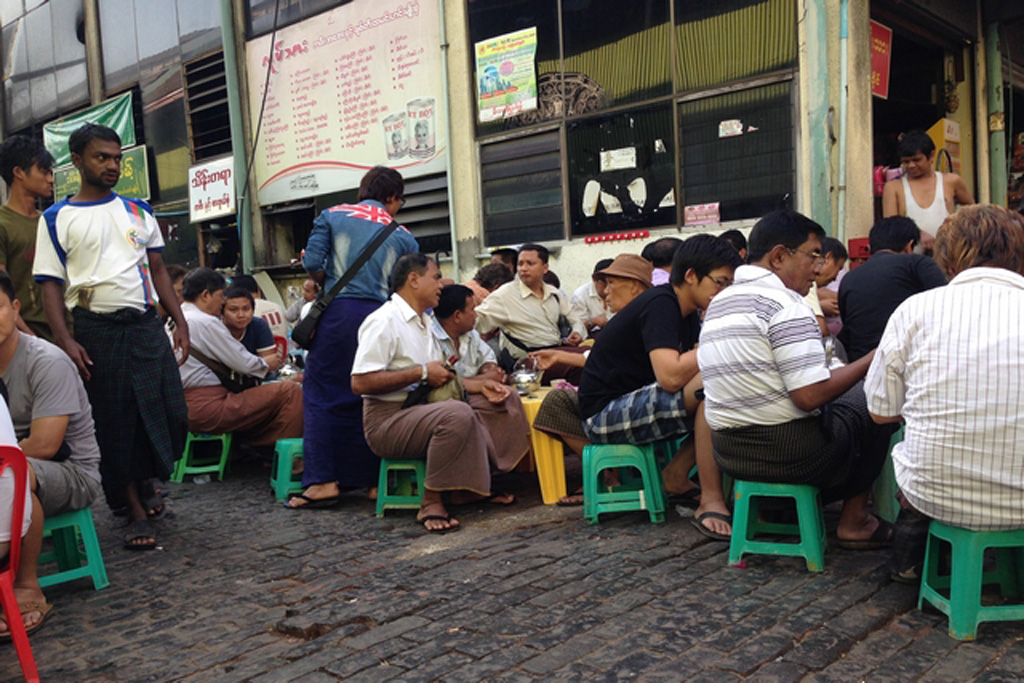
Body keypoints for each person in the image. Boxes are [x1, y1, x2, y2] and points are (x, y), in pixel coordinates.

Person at [698, 210, 897, 548]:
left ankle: (772, 511)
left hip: (730, 454)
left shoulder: (719, 303)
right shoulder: (786, 305)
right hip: (792, 455)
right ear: (779, 256)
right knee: (874, 397)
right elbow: (808, 397)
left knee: (847, 399)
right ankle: (855, 520)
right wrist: (872, 359)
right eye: (814, 255)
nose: (819, 268)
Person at [33, 123, 188, 550]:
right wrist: (67, 340)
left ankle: (145, 479)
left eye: (117, 158)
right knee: (115, 420)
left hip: (145, 325)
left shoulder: (139, 211)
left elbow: (158, 270)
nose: (112, 165)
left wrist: (182, 321)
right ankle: (133, 506)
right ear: (78, 161)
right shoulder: (56, 218)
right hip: (96, 327)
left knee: (169, 411)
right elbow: (49, 284)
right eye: (102, 157)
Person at [865, 205, 1024, 581]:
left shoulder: (916, 309)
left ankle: (907, 566)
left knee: (915, 448)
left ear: (948, 260)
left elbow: (880, 412)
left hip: (937, 493)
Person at [580, 238, 742, 538]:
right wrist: (721, 341)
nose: (723, 292)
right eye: (720, 283)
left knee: (723, 385)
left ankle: (677, 476)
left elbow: (694, 361)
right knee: (713, 387)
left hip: (635, 401)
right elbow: (670, 376)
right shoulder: (661, 303)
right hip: (604, 414)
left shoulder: (689, 312)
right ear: (691, 275)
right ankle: (710, 499)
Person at [352, 254, 522, 533]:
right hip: (388, 421)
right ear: (414, 280)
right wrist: (420, 373)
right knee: (456, 413)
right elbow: (360, 383)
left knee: (501, 400)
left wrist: (482, 385)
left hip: (423, 406)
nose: (441, 284)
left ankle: (470, 486)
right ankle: (431, 501)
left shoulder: (426, 323)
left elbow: (439, 377)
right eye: (435, 277)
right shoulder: (384, 320)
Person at [292, 166, 419, 508]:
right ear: (392, 197)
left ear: (364, 191)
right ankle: (372, 481)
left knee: (321, 393)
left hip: (338, 316)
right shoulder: (404, 235)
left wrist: (325, 281)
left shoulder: (331, 215)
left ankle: (322, 482)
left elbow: (313, 262)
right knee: (370, 394)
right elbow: (407, 285)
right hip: (382, 318)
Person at [0, 269, 102, 634]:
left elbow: (45, 445)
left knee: (15, 477)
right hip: (14, 466)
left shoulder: (47, 361)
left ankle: (27, 586)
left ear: (14, 309)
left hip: (71, 470)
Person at [178, 269, 302, 447]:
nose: (221, 302)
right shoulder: (204, 322)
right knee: (290, 391)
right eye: (221, 296)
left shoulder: (177, 318)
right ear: (206, 295)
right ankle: (281, 456)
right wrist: (266, 363)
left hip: (182, 405)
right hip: (208, 407)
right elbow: (245, 364)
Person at [431, 283, 530, 469]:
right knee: (478, 411)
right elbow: (444, 380)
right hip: (444, 398)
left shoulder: (470, 334)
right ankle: (487, 469)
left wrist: (488, 369)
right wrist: (483, 381)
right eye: (472, 309)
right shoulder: (430, 337)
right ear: (457, 316)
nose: (476, 314)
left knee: (508, 398)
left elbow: (486, 356)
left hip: (472, 389)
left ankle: (509, 464)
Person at [838, 216, 947, 362]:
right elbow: (947, 305)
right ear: (909, 245)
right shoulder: (917, 264)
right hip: (910, 363)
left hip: (860, 371)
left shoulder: (849, 278)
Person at [474, 243, 585, 382]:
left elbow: (576, 319)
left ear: (545, 268)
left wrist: (577, 332)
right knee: (580, 367)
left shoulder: (554, 293)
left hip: (557, 351)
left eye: (530, 263)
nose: (524, 269)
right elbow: (476, 321)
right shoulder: (505, 294)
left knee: (594, 355)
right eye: (520, 264)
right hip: (529, 361)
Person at [0, 136, 68, 341]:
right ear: (19, 172)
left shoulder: (53, 221)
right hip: (25, 339)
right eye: (44, 171)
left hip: (67, 334)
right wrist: (30, 341)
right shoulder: (4, 224)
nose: (51, 179)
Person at [882, 130, 974, 252]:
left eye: (916, 160)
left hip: (947, 256)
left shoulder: (951, 181)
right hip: (909, 260)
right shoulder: (893, 187)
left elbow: (973, 210)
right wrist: (918, 234)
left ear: (931, 156)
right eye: (906, 162)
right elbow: (891, 226)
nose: (911, 166)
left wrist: (954, 226)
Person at [222, 286, 281, 369]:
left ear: (253, 311)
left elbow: (271, 363)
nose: (241, 315)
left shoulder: (258, 325)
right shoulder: (215, 328)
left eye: (246, 309)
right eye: (234, 310)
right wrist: (259, 364)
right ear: (221, 313)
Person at [570, 258, 613, 337]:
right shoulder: (580, 295)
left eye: (611, 282)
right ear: (594, 279)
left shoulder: (620, 291)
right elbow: (577, 328)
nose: (607, 288)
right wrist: (593, 321)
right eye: (604, 283)